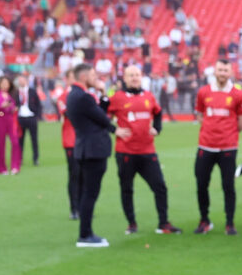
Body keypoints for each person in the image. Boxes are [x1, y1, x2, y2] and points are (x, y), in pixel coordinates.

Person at [105, 65, 181, 235]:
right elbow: (102, 116)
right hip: (125, 151)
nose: (134, 78)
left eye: (137, 75)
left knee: (160, 186)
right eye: (130, 75)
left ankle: (163, 223)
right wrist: (113, 130)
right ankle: (131, 223)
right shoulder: (116, 98)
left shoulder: (148, 96)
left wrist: (158, 128)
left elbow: (158, 113)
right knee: (127, 188)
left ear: (141, 77)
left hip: (147, 151)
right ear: (124, 78)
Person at [193, 60, 242, 235]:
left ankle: (230, 223)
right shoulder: (204, 92)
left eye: (226, 70)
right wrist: (210, 129)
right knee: (201, 184)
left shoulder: (238, 94)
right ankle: (204, 220)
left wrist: (227, 132)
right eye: (220, 70)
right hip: (206, 146)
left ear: (230, 72)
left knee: (228, 186)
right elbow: (199, 115)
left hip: (228, 147)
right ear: (215, 71)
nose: (222, 73)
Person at [66, 63, 115, 248]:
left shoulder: (75, 95)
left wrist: (102, 95)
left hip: (86, 148)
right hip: (93, 150)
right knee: (89, 194)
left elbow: (99, 114)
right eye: (94, 75)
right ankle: (85, 235)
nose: (97, 79)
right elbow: (103, 118)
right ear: (84, 77)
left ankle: (86, 233)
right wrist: (114, 129)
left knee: (88, 192)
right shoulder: (83, 97)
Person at [56, 70, 80, 219]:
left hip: (84, 140)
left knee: (85, 175)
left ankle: (83, 207)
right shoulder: (63, 96)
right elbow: (67, 112)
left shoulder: (86, 94)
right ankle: (74, 208)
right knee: (74, 175)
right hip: (71, 140)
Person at [0, 76, 21, 175]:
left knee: (15, 142)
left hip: (9, 120)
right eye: (3, 83)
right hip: (0, 120)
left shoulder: (10, 96)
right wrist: (2, 106)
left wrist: (13, 109)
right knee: (0, 144)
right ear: (0, 84)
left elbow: (12, 107)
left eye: (7, 83)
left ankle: (15, 166)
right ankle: (1, 168)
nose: (5, 85)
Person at [14, 72, 42, 166]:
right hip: (20, 118)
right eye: (19, 80)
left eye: (22, 80)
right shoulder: (16, 92)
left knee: (34, 139)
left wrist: (37, 115)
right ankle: (19, 158)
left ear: (26, 81)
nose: (20, 82)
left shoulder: (32, 91)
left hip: (31, 117)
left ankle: (35, 158)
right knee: (20, 139)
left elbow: (38, 104)